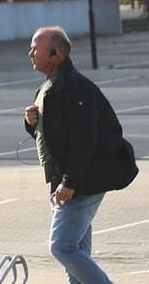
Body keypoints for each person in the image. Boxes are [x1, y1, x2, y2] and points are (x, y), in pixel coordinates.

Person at [25, 26, 127, 284]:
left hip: (81, 183)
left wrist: (69, 183)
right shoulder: (50, 86)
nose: (30, 53)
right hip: (64, 182)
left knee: (62, 246)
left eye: (35, 48)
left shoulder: (76, 89)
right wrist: (31, 122)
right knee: (76, 255)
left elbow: (84, 141)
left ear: (55, 53)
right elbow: (53, 136)